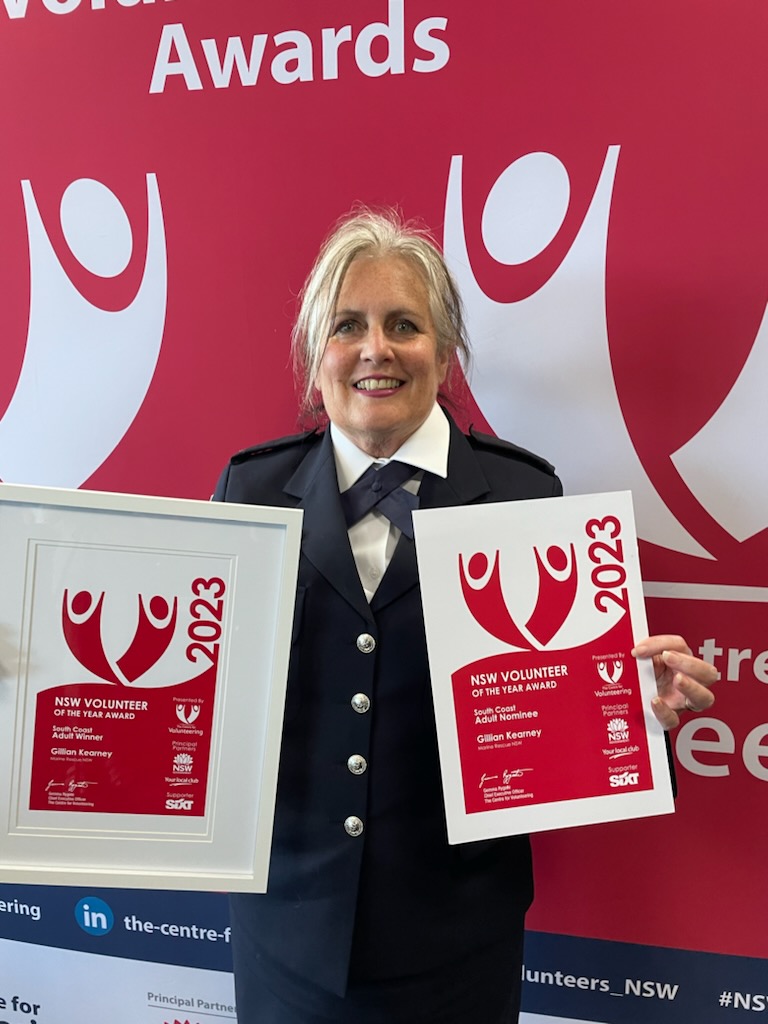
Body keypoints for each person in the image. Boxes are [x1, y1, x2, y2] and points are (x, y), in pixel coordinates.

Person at [213, 209, 717, 1024]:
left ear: (445, 354)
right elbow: (207, 694)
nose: (376, 348)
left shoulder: (523, 494)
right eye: (349, 326)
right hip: (286, 934)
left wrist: (634, 711)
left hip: (456, 938)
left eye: (404, 325)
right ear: (317, 355)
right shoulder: (250, 491)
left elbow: (550, 711)